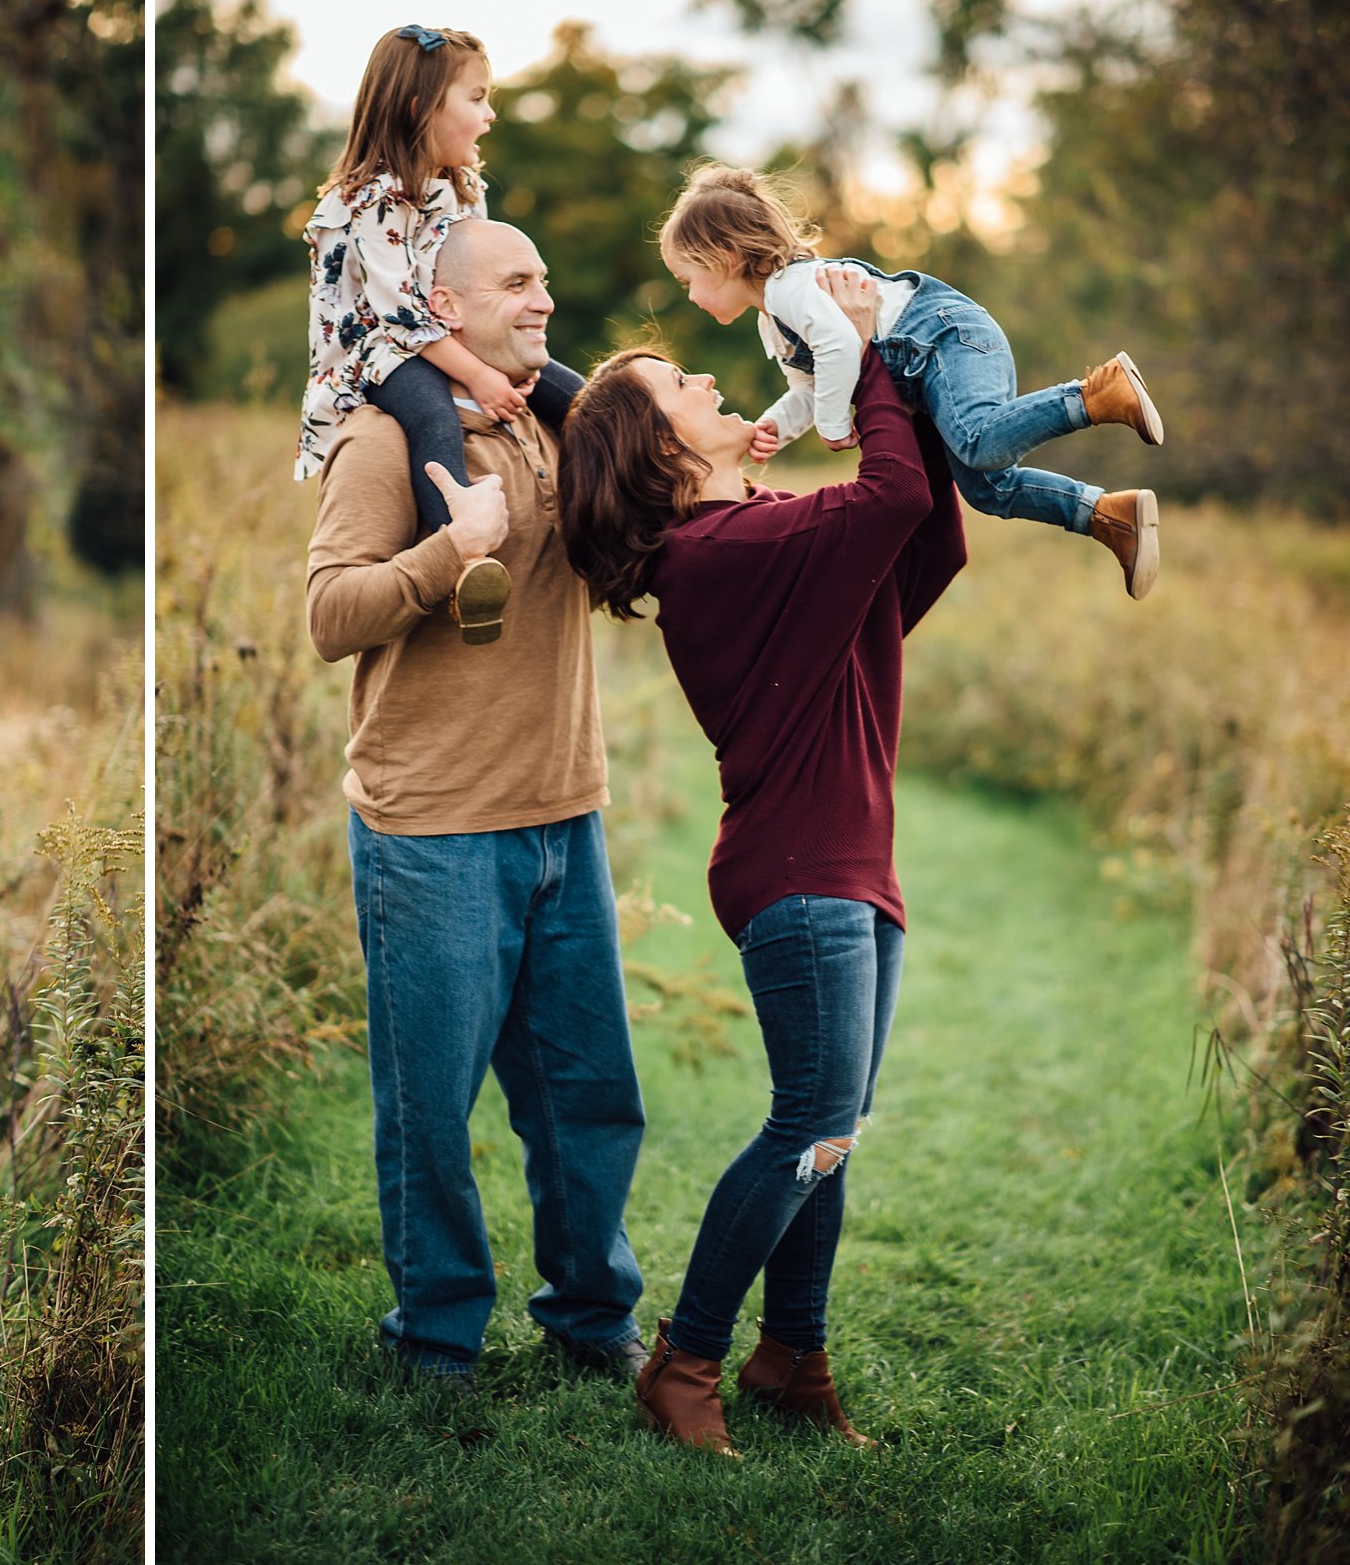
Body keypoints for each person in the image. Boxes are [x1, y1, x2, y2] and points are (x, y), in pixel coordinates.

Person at [557, 268, 965, 1455]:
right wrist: (860, 351)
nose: (712, 379)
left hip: (847, 868)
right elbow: (884, 497)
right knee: (811, 1126)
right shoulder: (717, 551)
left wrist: (900, 387)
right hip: (802, 876)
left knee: (833, 1127)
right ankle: (686, 1362)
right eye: (683, 385)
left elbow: (923, 543)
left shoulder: (756, 539)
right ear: (658, 454)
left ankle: (794, 1358)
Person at [306, 216, 648, 1392]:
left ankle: (595, 1316)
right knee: (431, 1113)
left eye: (546, 278)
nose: (543, 298)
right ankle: (439, 1337)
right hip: (432, 829)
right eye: (517, 283)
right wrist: (453, 553)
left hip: (565, 810)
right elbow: (328, 615)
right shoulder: (382, 441)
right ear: (443, 308)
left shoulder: (560, 424)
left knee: (590, 1097)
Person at [658, 161, 1163, 598]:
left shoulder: (792, 286)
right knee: (987, 490)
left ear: (722, 260)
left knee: (979, 442)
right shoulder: (772, 320)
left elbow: (839, 347)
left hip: (946, 338)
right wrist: (772, 428)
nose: (690, 296)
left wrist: (835, 425)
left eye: (687, 281)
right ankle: (1106, 515)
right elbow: (808, 389)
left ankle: (1097, 395)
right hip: (931, 364)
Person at [295, 24, 590, 644]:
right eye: (477, 98)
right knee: (433, 420)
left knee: (574, 394)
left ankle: (663, 485)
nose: (490, 115)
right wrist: (481, 374)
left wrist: (501, 360)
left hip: (444, 337)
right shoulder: (373, 199)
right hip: (378, 352)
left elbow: (470, 285)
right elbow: (401, 316)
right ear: (419, 108)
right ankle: (462, 562)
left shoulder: (459, 190)